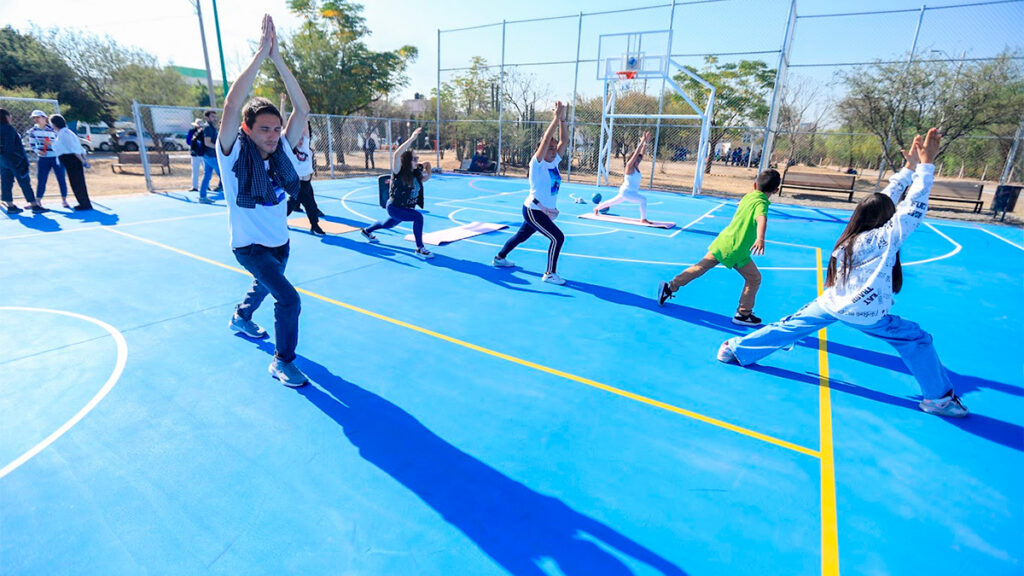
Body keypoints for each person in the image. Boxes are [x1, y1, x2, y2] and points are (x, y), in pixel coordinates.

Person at [716, 129, 969, 418]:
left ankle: (734, 349)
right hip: (866, 312)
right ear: (887, 218)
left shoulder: (853, 235)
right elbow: (912, 207)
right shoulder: (886, 238)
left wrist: (908, 170)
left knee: (790, 326)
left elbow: (883, 201)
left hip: (833, 302)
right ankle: (938, 400)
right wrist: (926, 166)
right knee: (917, 340)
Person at [221, 14, 311, 387]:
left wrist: (279, 60)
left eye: (276, 128)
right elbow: (231, 106)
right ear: (247, 129)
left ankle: (241, 316)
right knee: (288, 299)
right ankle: (282, 362)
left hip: (280, 243)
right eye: (265, 129)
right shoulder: (231, 154)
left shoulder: (282, 152)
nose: (273, 135)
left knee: (265, 284)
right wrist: (260, 55)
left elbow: (302, 110)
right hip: (250, 247)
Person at [656, 169, 780, 326]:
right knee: (754, 278)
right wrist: (760, 238)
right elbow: (761, 218)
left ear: (755, 185)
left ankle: (670, 287)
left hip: (724, 242)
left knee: (700, 267)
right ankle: (743, 313)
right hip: (737, 250)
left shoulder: (749, 196)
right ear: (776, 190)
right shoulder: (761, 204)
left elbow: (746, 206)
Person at [492, 101, 569, 285]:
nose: (554, 150)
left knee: (521, 236)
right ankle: (550, 273)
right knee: (558, 238)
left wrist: (562, 120)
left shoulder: (554, 162)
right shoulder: (537, 163)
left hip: (543, 212)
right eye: (550, 147)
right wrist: (555, 118)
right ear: (541, 149)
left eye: (554, 147)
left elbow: (565, 140)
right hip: (534, 210)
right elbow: (546, 140)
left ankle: (500, 258)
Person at [359, 127, 434, 259]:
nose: (417, 160)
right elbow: (396, 155)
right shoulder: (399, 172)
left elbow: (427, 173)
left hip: (404, 208)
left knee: (387, 224)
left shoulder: (416, 175)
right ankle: (420, 248)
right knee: (418, 217)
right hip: (395, 207)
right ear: (407, 162)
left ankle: (366, 231)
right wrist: (412, 138)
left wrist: (427, 168)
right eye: (414, 159)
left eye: (417, 158)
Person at [594, 131, 652, 224]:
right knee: (643, 200)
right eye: (636, 159)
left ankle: (597, 208)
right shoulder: (629, 166)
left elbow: (641, 153)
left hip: (629, 192)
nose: (638, 161)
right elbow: (637, 153)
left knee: (611, 202)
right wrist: (641, 142)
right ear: (633, 159)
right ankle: (643, 219)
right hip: (627, 192)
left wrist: (645, 142)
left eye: (639, 160)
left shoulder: (636, 166)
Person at [0, 108, 46, 214]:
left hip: (2, 160)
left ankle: (10, 205)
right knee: (24, 182)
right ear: (6, 117)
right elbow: (10, 147)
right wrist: (19, 160)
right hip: (15, 160)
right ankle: (34, 205)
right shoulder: (9, 129)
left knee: (6, 181)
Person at [287, 119, 324, 235]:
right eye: (298, 138)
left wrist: (304, 117)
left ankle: (314, 225)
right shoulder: (291, 150)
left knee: (307, 203)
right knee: (296, 203)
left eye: (302, 138)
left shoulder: (305, 148)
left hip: (306, 182)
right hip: (296, 183)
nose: (301, 140)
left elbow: (306, 131)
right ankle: (280, 220)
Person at [26, 109, 69, 208]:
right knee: (41, 179)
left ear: (44, 118)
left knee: (61, 178)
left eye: (38, 117)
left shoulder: (54, 129)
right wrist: (38, 151)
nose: (36, 120)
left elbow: (62, 142)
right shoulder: (33, 131)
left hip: (56, 157)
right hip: (43, 158)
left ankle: (64, 200)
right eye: (34, 118)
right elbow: (32, 144)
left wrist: (51, 144)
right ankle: (38, 200)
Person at [49, 115, 92, 211]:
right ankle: (83, 202)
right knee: (75, 182)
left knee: (77, 182)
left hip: (72, 160)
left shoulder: (65, 134)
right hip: (69, 160)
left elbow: (75, 149)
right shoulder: (63, 133)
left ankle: (84, 203)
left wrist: (83, 161)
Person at [198, 109, 221, 204]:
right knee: (224, 175)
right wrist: (218, 148)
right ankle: (233, 195)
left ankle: (202, 197)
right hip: (211, 155)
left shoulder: (211, 127)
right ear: (207, 118)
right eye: (212, 116)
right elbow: (207, 142)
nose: (215, 118)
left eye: (215, 116)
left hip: (208, 155)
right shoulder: (208, 128)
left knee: (207, 175)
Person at [186, 119, 205, 192]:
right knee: (195, 170)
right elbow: (188, 141)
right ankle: (195, 186)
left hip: (203, 154)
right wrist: (195, 140)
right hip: (195, 154)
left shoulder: (204, 132)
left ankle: (206, 185)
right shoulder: (192, 132)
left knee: (206, 171)